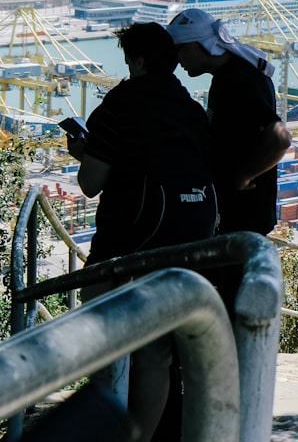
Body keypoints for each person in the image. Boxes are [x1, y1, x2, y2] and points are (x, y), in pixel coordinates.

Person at [68, 22, 218, 442]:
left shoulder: (119, 104)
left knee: (104, 346)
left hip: (125, 239)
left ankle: (106, 433)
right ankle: (141, 438)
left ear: (135, 60)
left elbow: (91, 182)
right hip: (186, 242)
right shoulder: (189, 106)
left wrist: (84, 152)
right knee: (155, 354)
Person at [165, 8, 292, 236]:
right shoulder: (230, 74)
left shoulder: (239, 80)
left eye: (179, 49)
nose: (177, 59)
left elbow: (280, 136)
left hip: (243, 215)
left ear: (199, 44)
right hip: (237, 212)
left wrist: (245, 175)